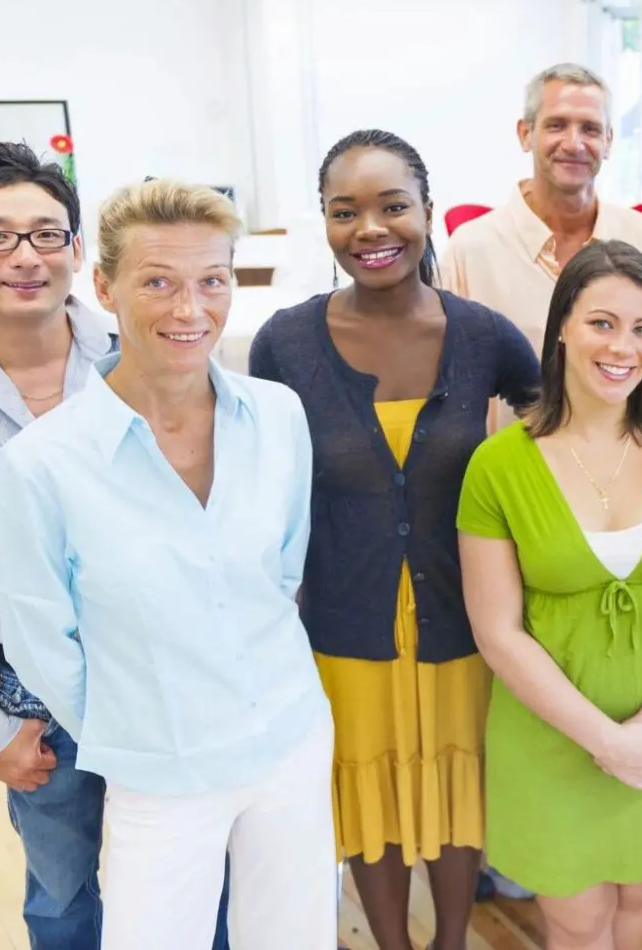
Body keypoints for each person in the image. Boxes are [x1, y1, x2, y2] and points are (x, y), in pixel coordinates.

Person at [0, 142, 230, 950]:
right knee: (63, 894)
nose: (25, 256)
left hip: (166, 668)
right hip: (32, 690)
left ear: (77, 251)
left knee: (195, 881)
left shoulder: (150, 358)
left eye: (46, 233)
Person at [0, 180, 335, 950]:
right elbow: (43, 642)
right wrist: (140, 729)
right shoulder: (42, 465)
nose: (191, 310)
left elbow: (281, 575)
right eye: (158, 283)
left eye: (212, 281)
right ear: (105, 286)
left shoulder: (278, 416)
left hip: (290, 739)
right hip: (161, 771)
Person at [249, 130, 541, 950]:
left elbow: (552, 428)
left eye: (391, 206)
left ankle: (450, 940)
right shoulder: (286, 343)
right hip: (343, 623)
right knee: (367, 794)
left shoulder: (482, 335)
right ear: (326, 224)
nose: (370, 229)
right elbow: (257, 479)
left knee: (457, 788)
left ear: (426, 213)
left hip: (465, 619)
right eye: (346, 213)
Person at [457, 240, 642, 950]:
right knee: (578, 923)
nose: (624, 347)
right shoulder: (498, 465)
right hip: (552, 739)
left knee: (638, 906)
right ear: (561, 329)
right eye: (602, 323)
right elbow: (498, 632)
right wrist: (605, 740)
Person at [441, 62, 642, 437]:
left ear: (609, 141)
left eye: (590, 129)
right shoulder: (470, 251)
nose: (574, 143)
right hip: (509, 480)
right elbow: (450, 391)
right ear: (525, 134)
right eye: (556, 125)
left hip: (620, 472)